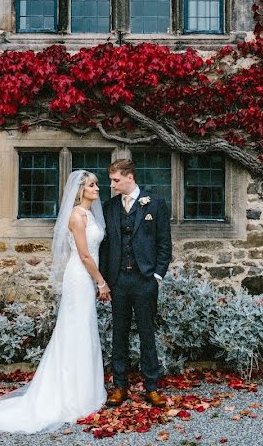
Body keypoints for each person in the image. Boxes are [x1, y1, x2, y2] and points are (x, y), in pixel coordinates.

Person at [0, 170, 109, 433]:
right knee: (75, 330)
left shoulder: (89, 214)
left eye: (96, 185)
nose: (97, 189)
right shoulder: (76, 216)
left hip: (86, 278)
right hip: (80, 277)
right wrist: (101, 282)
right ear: (80, 190)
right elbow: (83, 254)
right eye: (92, 185)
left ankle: (86, 392)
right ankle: (70, 396)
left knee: (84, 330)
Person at [99, 158, 172, 408]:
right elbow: (105, 246)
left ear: (130, 177)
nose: (112, 184)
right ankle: (120, 386)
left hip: (144, 280)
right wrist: (105, 280)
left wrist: (157, 276)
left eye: (116, 180)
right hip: (118, 281)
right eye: (111, 180)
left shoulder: (155, 203)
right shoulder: (109, 207)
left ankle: (151, 387)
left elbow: (164, 244)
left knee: (146, 334)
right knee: (118, 334)